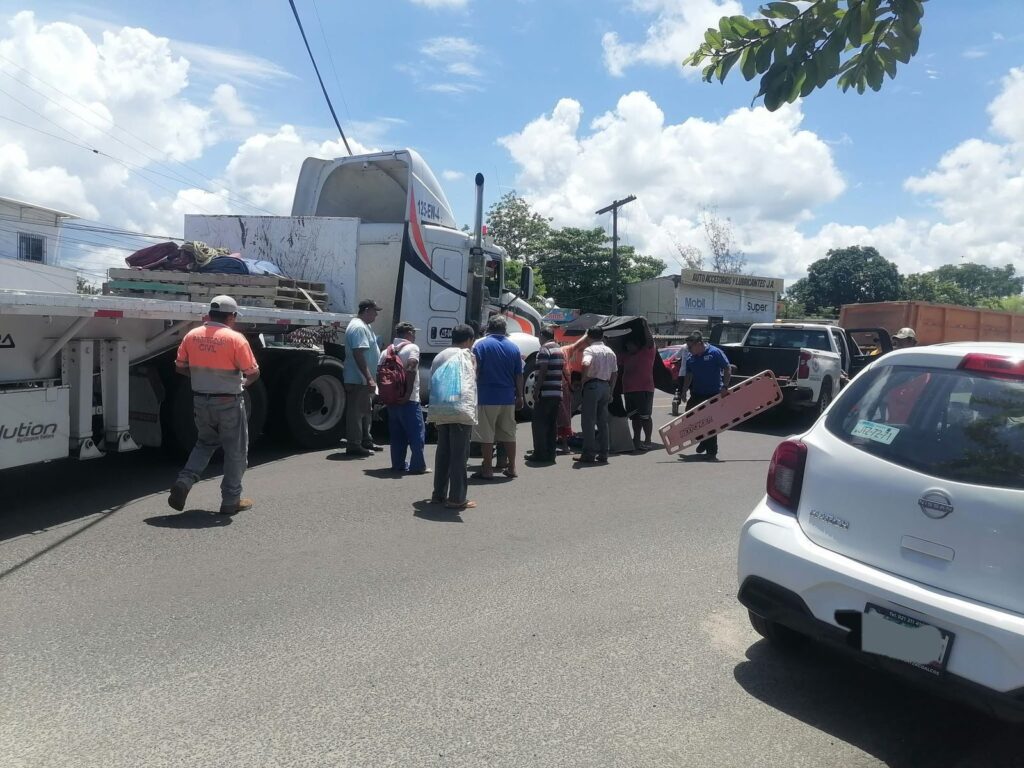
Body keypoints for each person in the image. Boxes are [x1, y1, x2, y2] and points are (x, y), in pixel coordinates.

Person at [167, 295, 260, 516]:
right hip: (228, 402)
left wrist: (203, 378)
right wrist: (243, 383)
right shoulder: (235, 339)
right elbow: (253, 372)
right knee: (235, 451)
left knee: (205, 443)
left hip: (201, 400)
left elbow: (180, 367)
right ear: (231, 316)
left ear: (210, 314)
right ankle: (231, 500)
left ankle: (184, 481)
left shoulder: (192, 335)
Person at [428, 324, 478, 510]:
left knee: (443, 453)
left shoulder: (439, 356)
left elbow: (433, 384)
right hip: (459, 411)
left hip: (441, 409)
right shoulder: (466, 356)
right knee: (459, 456)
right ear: (469, 340)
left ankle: (438, 494)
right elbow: (470, 383)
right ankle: (457, 498)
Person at [472, 315, 524, 479]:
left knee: (487, 435)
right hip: (507, 397)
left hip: (486, 396)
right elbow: (519, 374)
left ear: (489, 327)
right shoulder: (514, 347)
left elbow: (475, 370)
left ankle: (487, 469)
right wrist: (520, 396)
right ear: (505, 329)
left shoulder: (480, 345)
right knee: (509, 433)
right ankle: (512, 467)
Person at [678, 331, 731, 460]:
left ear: (699, 344)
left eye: (690, 347)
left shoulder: (714, 353)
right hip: (697, 393)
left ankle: (711, 452)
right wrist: (684, 391)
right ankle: (702, 439)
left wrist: (725, 386)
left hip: (713, 393)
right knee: (689, 417)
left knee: (710, 421)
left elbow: (727, 368)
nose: (688, 349)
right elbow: (688, 375)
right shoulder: (691, 358)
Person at [383, 321, 428, 474]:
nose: (414, 336)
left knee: (397, 435)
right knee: (417, 434)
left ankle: (398, 464)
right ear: (408, 333)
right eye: (413, 333)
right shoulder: (412, 348)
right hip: (409, 400)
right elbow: (411, 367)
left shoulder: (387, 350)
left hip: (392, 399)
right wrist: (407, 394)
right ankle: (418, 466)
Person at [344, 299, 383, 457]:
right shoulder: (358, 327)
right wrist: (369, 378)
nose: (376, 315)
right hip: (358, 379)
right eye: (375, 311)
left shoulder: (365, 326)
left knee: (366, 410)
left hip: (363, 379)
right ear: (366, 310)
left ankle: (366, 440)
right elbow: (358, 354)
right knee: (356, 412)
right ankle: (354, 445)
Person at [574, 326, 618, 464]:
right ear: (602, 336)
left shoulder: (590, 350)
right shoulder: (610, 352)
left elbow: (586, 362)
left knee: (588, 421)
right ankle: (604, 453)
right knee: (602, 422)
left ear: (589, 336)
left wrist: (583, 379)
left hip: (592, 386)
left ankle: (588, 453)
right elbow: (614, 373)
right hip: (605, 387)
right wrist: (611, 391)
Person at [526, 325, 564, 463]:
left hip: (545, 392)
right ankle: (550, 453)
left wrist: (537, 390)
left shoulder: (544, 349)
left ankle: (540, 453)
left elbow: (543, 370)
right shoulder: (559, 349)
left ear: (542, 336)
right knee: (551, 424)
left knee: (539, 423)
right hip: (556, 392)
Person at [619, 323, 657, 451]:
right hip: (629, 390)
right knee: (634, 417)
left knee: (645, 416)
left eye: (630, 345)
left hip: (644, 389)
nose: (628, 347)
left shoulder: (647, 352)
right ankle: (636, 439)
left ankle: (648, 440)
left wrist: (645, 326)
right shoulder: (625, 356)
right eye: (627, 345)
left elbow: (650, 340)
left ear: (637, 344)